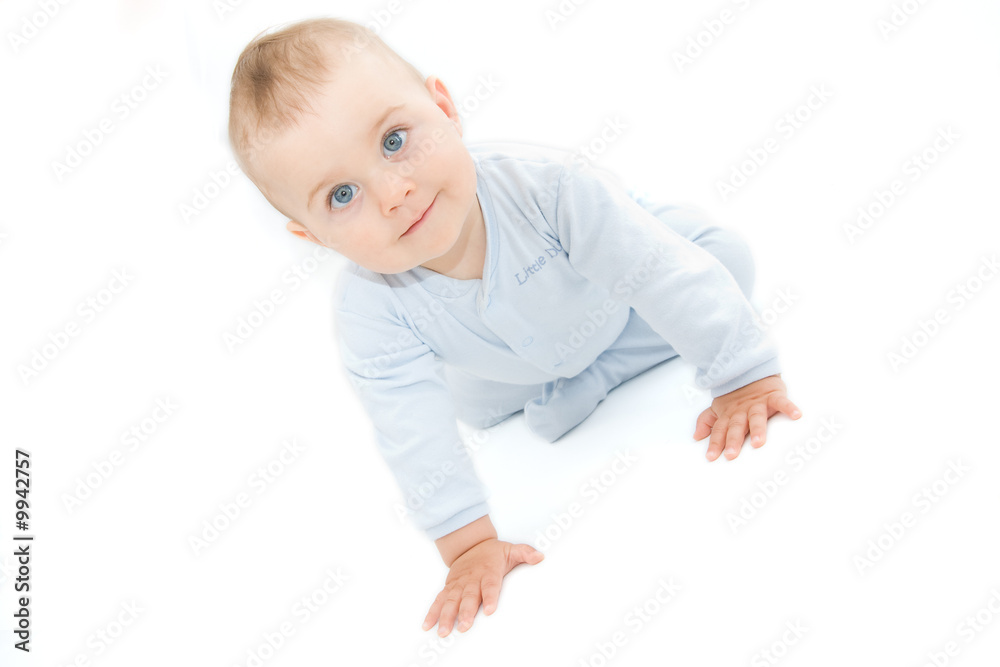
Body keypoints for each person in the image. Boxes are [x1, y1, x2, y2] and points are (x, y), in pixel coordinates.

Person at [227, 17, 802, 639]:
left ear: (443, 108)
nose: (393, 192)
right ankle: (588, 376)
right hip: (507, 372)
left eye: (395, 141)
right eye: (342, 195)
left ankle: (597, 374)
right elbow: (411, 431)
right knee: (469, 405)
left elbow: (652, 270)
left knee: (720, 259)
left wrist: (741, 377)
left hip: (615, 303)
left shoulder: (547, 187)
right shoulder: (367, 310)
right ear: (313, 237)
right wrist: (467, 545)